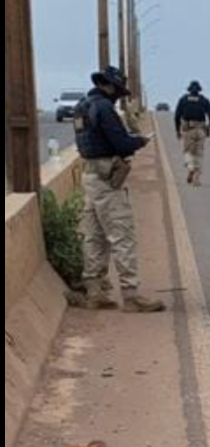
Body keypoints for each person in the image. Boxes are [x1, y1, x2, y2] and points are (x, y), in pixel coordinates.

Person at [74, 66, 165, 313]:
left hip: (90, 175)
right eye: (118, 90)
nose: (118, 96)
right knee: (122, 235)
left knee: (94, 236)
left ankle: (94, 291)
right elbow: (122, 144)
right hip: (106, 180)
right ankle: (131, 295)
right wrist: (140, 141)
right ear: (110, 86)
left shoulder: (82, 106)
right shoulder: (104, 108)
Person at [175, 81, 210, 186]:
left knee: (188, 152)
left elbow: (177, 116)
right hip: (201, 130)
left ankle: (190, 168)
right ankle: (196, 179)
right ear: (199, 90)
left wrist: (177, 131)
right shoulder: (204, 100)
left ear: (189, 90)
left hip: (188, 130)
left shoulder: (183, 100)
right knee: (199, 153)